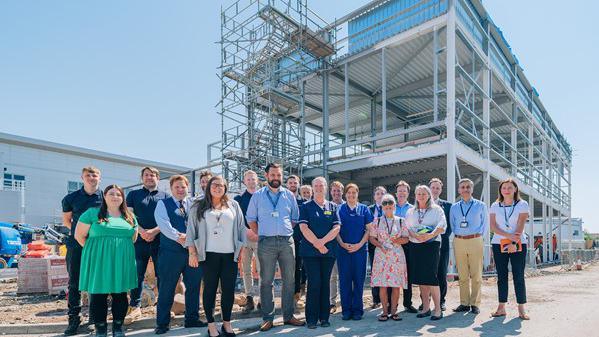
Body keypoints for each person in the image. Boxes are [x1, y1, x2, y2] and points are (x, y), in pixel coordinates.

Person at [246, 163, 305, 331]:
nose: (276, 178)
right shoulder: (257, 196)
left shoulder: (289, 195)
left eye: (279, 175)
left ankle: (288, 316)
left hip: (287, 241)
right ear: (266, 176)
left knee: (289, 280)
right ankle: (268, 318)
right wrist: (261, 234)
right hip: (266, 243)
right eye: (273, 175)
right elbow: (250, 219)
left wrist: (283, 230)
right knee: (266, 281)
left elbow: (294, 218)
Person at [187, 176, 247, 337]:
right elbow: (191, 231)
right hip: (208, 256)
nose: (218, 188)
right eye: (215, 185)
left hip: (229, 256)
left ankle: (227, 324)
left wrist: (240, 251)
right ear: (209, 187)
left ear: (225, 188)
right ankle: (211, 325)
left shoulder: (233, 205)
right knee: (210, 291)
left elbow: (241, 228)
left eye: (221, 185)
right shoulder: (198, 206)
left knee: (228, 291)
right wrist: (192, 252)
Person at [75, 185, 138, 337]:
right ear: (104, 196)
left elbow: (133, 238)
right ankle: (101, 329)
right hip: (99, 260)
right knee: (98, 295)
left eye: (118, 194)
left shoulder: (129, 216)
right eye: (111, 193)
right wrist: (97, 252)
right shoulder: (92, 213)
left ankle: (118, 328)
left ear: (122, 198)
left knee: (121, 295)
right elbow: (79, 236)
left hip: (122, 261)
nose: (115, 196)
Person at [154, 175, 206, 334]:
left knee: (193, 286)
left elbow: (199, 223)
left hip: (192, 253)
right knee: (167, 287)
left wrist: (192, 241)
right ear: (171, 188)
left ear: (187, 188)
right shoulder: (163, 204)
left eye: (183, 187)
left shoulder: (193, 204)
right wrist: (181, 237)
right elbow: (164, 225)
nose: (180, 189)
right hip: (171, 253)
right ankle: (162, 324)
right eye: (177, 187)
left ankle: (191, 319)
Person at [62, 166, 104, 336]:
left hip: (98, 246)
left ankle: (93, 319)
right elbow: (67, 221)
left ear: (99, 177)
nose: (91, 177)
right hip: (76, 246)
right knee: (74, 283)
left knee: (96, 282)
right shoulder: (71, 198)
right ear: (82, 177)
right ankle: (73, 320)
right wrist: (82, 234)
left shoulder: (105, 197)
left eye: (94, 174)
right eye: (88, 175)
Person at [125, 167, 168, 323]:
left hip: (160, 241)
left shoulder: (165, 196)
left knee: (161, 275)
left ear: (158, 178)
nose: (150, 178)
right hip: (139, 241)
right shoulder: (133, 195)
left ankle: (163, 307)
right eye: (147, 175)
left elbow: (167, 219)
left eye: (153, 175)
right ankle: (134, 307)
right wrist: (143, 231)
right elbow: (129, 216)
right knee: (137, 275)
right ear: (142, 177)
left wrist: (154, 231)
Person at [298, 177, 341, 328]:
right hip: (310, 253)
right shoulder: (305, 206)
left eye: (321, 185)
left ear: (325, 187)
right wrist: (317, 243)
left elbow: (336, 228)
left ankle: (324, 318)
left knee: (325, 284)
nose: (318, 188)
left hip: (328, 252)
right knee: (314, 283)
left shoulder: (332, 206)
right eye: (315, 185)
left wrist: (322, 243)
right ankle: (311, 319)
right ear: (312, 187)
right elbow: (303, 228)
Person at [489, 178, 530, 320]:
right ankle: (501, 307)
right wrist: (508, 237)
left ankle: (521, 308)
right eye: (504, 187)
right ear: (500, 190)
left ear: (515, 189)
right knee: (501, 276)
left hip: (519, 243)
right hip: (498, 243)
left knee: (518, 275)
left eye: (509, 187)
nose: (506, 190)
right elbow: (493, 226)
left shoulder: (522, 204)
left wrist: (514, 241)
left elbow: (521, 224)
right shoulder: (495, 205)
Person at [404, 185, 447, 321]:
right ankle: (426, 308)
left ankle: (438, 309)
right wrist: (416, 236)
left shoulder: (437, 209)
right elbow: (407, 227)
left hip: (431, 245)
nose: (421, 196)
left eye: (424, 194)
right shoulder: (411, 211)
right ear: (415, 196)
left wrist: (430, 235)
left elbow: (442, 225)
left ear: (429, 195)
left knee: (431, 277)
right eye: (419, 194)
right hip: (416, 245)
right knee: (422, 277)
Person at [449, 178, 488, 315]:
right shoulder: (454, 207)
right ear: (459, 190)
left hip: (475, 239)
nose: (465, 189)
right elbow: (453, 225)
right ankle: (464, 303)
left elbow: (485, 225)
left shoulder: (481, 205)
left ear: (472, 189)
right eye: (462, 187)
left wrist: (478, 237)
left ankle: (475, 304)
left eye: (468, 187)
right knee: (462, 274)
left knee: (476, 274)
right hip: (459, 241)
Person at [369, 194, 409, 322]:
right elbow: (371, 238)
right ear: (382, 208)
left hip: (396, 256)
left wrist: (397, 240)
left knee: (396, 285)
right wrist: (380, 245)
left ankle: (394, 312)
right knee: (383, 285)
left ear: (394, 207)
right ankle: (384, 312)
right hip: (382, 255)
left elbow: (407, 239)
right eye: (385, 208)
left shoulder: (401, 221)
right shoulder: (377, 221)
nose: (388, 210)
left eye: (390, 207)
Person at [336, 183, 373, 321]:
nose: (351, 195)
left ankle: (357, 310)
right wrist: (342, 244)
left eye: (354, 193)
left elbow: (369, 230)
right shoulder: (339, 209)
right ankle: (346, 310)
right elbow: (336, 230)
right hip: (343, 251)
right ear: (345, 194)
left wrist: (359, 245)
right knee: (345, 281)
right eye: (349, 193)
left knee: (358, 280)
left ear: (357, 194)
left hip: (360, 251)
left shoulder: (364, 209)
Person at [234, 170, 261, 314]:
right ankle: (249, 297)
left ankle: (263, 299)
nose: (251, 181)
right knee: (246, 269)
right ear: (245, 182)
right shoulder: (239, 199)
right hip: (245, 238)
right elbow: (237, 219)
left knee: (262, 268)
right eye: (248, 179)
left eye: (253, 179)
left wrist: (257, 232)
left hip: (259, 237)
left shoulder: (262, 196)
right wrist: (247, 231)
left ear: (257, 180)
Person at [428, 178, 453, 311]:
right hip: (426, 245)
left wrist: (441, 237)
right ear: (429, 188)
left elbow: (450, 226)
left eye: (438, 188)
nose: (435, 190)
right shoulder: (422, 204)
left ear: (441, 190)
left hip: (442, 244)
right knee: (426, 273)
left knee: (441, 273)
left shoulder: (448, 206)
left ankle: (441, 300)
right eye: (433, 187)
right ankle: (425, 301)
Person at [394, 181, 418, 314]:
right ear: (396, 193)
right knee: (393, 273)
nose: (402, 193)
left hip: (409, 244)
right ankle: (393, 304)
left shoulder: (413, 209)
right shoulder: (391, 207)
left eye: (404, 191)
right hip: (394, 244)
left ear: (408, 193)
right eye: (400, 191)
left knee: (407, 274)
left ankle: (407, 303)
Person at [286, 175, 305, 308]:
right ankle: (286, 295)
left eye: (295, 182)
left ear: (298, 184)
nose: (293, 184)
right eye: (290, 182)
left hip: (299, 239)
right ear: (287, 185)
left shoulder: (303, 202)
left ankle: (297, 294)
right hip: (285, 238)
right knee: (286, 268)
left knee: (298, 267)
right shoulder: (282, 200)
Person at [367, 186, 387, 309]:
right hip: (373, 243)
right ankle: (376, 299)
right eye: (378, 193)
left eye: (382, 193)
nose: (380, 195)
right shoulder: (368, 210)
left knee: (387, 270)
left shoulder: (389, 208)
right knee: (376, 271)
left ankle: (387, 298)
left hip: (387, 244)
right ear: (374, 196)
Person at [328, 180, 344, 313]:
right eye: (334, 190)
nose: (336, 193)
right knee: (332, 276)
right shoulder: (327, 206)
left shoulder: (347, 206)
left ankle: (345, 301)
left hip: (345, 246)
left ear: (342, 192)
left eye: (338, 190)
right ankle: (332, 303)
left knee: (344, 275)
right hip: (332, 246)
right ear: (330, 192)